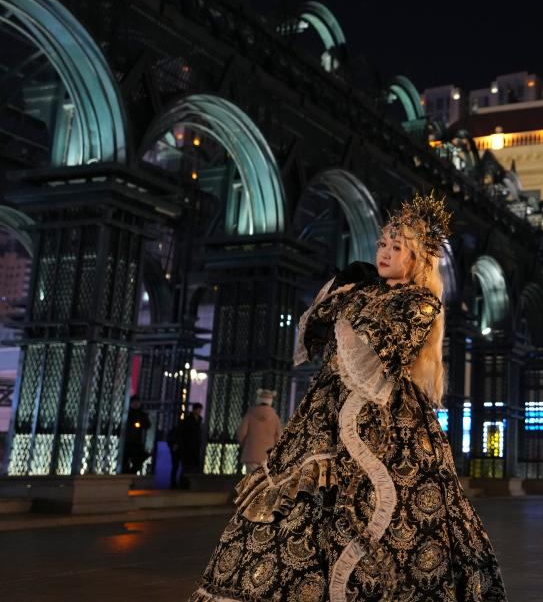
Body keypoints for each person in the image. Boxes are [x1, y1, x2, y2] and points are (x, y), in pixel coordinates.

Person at [190, 193, 507, 602]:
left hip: (385, 420)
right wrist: (340, 292)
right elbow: (313, 335)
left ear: (416, 260)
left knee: (386, 511)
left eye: (398, 248)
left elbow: (379, 356)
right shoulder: (360, 292)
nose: (386, 253)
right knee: (300, 508)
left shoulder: (421, 303)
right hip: (321, 417)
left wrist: (348, 311)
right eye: (382, 245)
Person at [235, 388, 282, 474]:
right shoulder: (275, 417)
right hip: (268, 455)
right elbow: (279, 437)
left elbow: (241, 433)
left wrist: (247, 445)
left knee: (251, 482)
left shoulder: (249, 414)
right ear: (270, 401)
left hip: (251, 454)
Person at [169, 402, 204, 490]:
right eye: (198, 409)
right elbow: (182, 432)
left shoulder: (198, 420)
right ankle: (181, 483)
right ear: (195, 410)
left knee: (190, 465)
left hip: (193, 446)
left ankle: (185, 483)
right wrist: (177, 443)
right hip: (187, 446)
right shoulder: (188, 420)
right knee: (185, 465)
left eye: (200, 410)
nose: (199, 411)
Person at [122, 395, 151, 474]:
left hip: (137, 441)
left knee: (140, 458)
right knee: (125, 459)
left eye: (137, 402)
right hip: (127, 441)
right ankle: (126, 474)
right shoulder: (127, 413)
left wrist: (140, 424)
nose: (136, 404)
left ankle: (131, 473)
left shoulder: (142, 414)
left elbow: (147, 425)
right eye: (134, 402)